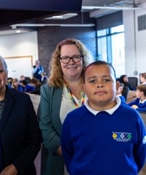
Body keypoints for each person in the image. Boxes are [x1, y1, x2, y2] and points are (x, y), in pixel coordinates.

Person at [61, 61, 146, 174]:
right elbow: (68, 154)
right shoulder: (72, 119)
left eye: (106, 80)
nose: (100, 84)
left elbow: (140, 156)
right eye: (92, 81)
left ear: (117, 87)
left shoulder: (132, 117)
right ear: (84, 88)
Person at [38, 38, 93, 175]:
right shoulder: (48, 90)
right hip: (61, 162)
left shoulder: (95, 87)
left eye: (76, 57)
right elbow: (45, 127)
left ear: (83, 59)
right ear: (59, 62)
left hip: (94, 159)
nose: (71, 62)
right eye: (65, 58)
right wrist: (70, 153)